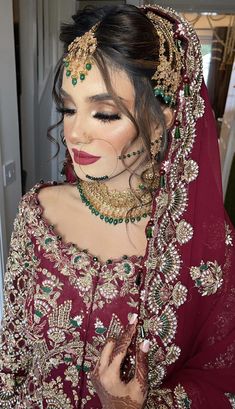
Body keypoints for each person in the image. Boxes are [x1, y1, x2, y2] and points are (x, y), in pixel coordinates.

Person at [0, 3, 235, 408]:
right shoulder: (37, 213)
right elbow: (12, 354)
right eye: (68, 108)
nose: (74, 133)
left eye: (104, 113)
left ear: (164, 117)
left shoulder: (207, 246)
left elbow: (222, 378)